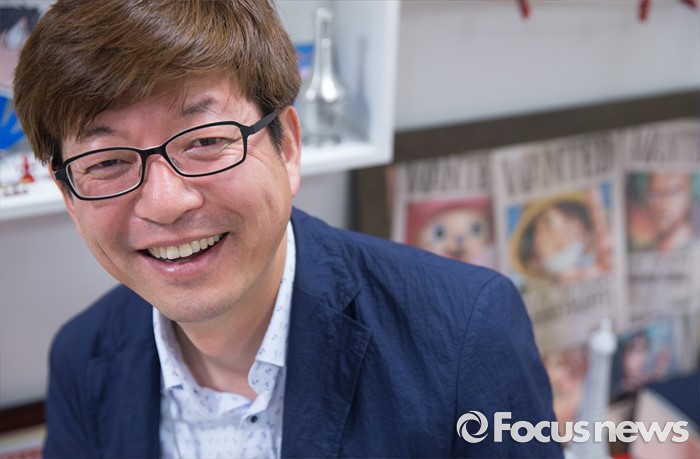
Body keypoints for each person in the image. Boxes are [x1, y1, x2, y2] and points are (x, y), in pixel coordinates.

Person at [13, 1, 562, 457]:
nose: (165, 203)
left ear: (290, 147)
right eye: (107, 162)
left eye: (206, 141)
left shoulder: (465, 332)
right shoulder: (81, 358)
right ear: (69, 198)